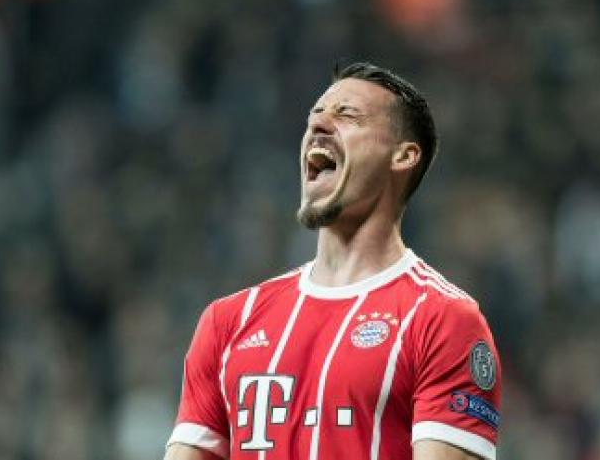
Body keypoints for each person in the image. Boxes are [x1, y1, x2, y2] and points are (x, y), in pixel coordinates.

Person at [165, 62, 502, 460]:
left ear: (403, 155)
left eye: (347, 115)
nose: (318, 126)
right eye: (315, 115)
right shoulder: (228, 323)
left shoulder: (442, 321)